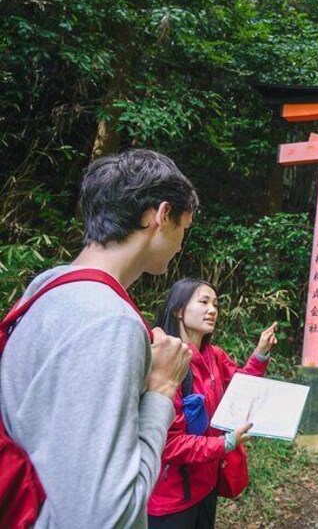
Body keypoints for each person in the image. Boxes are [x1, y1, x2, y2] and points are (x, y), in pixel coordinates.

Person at [0, 148, 197, 527]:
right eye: (183, 229)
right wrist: (160, 392)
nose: (180, 245)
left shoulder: (46, 291)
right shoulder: (109, 323)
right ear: (161, 214)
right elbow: (105, 517)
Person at [147, 278, 278, 528]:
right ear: (178, 310)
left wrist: (260, 353)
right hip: (171, 496)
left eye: (215, 304)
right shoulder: (166, 362)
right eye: (204, 302)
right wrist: (224, 443)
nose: (213, 310)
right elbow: (168, 444)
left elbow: (242, 388)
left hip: (206, 484)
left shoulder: (213, 356)